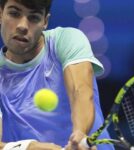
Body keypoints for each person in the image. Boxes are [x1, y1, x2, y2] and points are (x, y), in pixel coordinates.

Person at [0, 0, 115, 150]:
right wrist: (28, 147)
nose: (22, 26)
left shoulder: (66, 40)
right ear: (1, 13)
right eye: (14, 13)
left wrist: (80, 133)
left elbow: (80, 91)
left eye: (33, 18)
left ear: (45, 22)